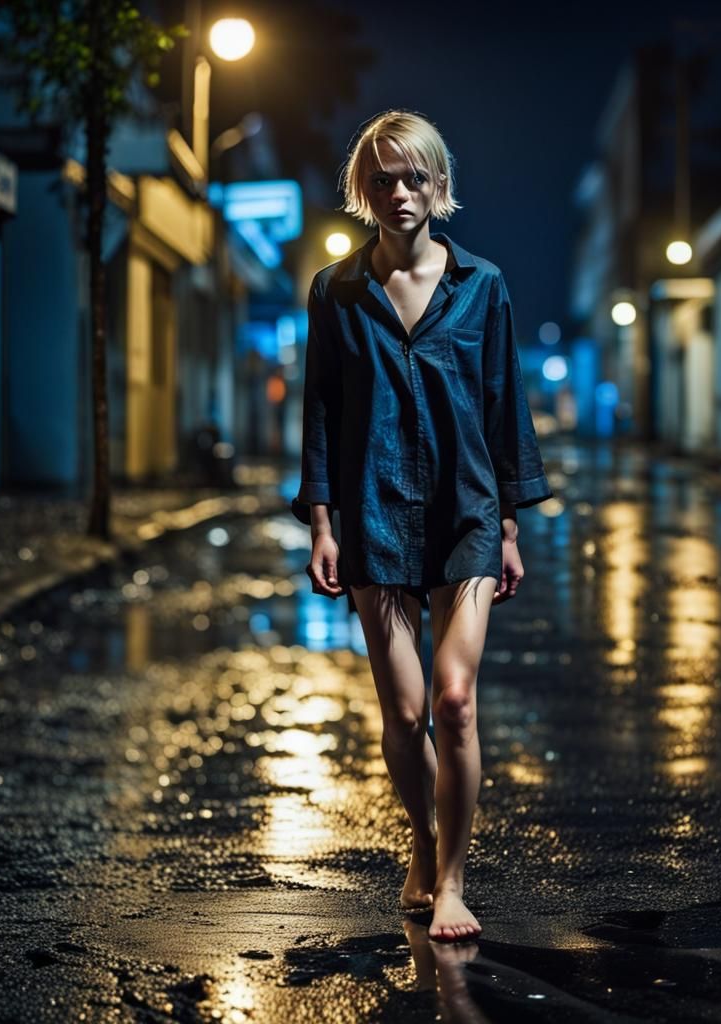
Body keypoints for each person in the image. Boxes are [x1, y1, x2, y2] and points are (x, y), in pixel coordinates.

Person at [291, 109, 552, 942]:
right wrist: (322, 521)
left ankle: (451, 882)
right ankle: (421, 833)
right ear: (362, 191)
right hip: (371, 515)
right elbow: (323, 412)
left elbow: (506, 405)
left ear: (439, 185)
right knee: (404, 715)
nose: (399, 192)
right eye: (382, 178)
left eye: (414, 177)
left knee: (455, 701)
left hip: (465, 512)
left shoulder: (483, 285)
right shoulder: (336, 290)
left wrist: (510, 526)